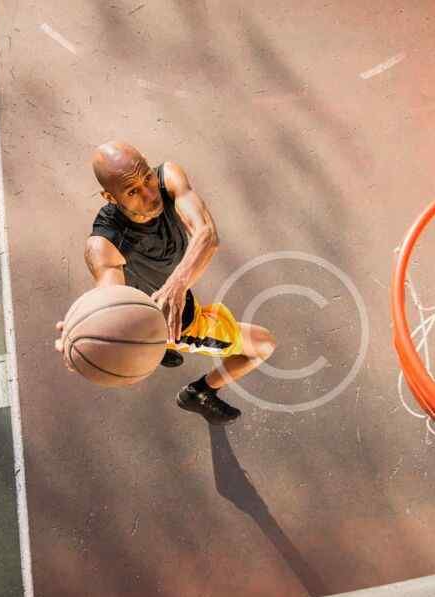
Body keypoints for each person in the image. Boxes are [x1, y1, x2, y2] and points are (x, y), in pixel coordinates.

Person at [54, 141, 276, 424]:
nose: (150, 194)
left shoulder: (168, 177)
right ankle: (200, 392)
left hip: (176, 294)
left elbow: (206, 235)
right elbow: (109, 295)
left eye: (147, 177)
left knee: (177, 289)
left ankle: (163, 351)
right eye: (132, 191)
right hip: (175, 322)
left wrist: (176, 286)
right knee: (263, 346)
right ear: (110, 197)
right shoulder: (105, 245)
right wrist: (85, 333)